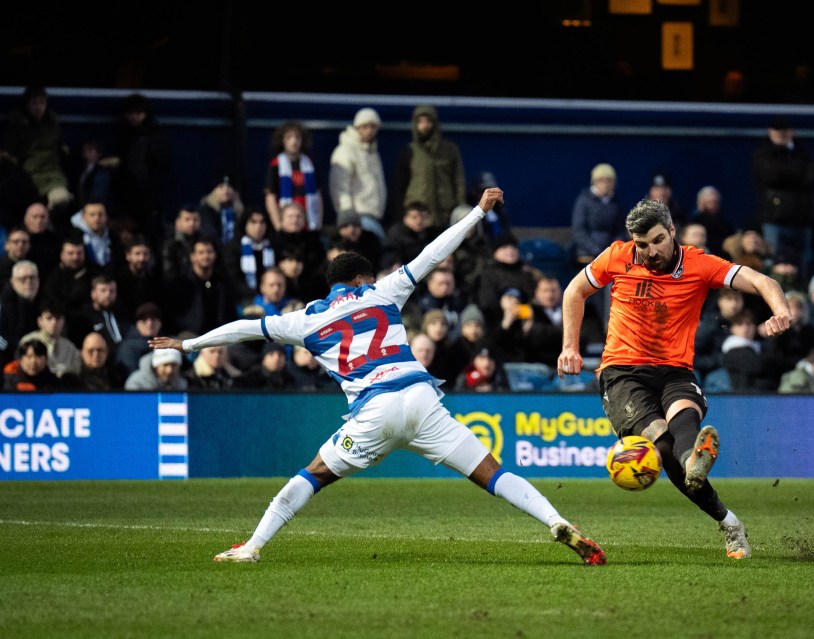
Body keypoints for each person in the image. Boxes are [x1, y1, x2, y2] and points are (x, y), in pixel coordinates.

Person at [148, 187, 605, 566]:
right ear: (363, 278)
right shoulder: (384, 291)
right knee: (491, 471)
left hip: (374, 408)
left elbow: (246, 328)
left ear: (332, 285)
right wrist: (477, 214)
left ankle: (252, 547)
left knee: (312, 475)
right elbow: (434, 253)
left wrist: (188, 345)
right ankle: (554, 520)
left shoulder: (304, 319)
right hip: (421, 397)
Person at [557, 198, 793, 560]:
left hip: (674, 370)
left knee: (685, 421)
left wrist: (780, 311)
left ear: (672, 232)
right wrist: (569, 347)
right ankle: (729, 522)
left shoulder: (699, 264)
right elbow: (575, 290)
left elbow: (762, 280)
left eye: (656, 241)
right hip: (622, 372)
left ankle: (692, 463)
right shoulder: (617, 256)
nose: (649, 252)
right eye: (642, 245)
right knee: (662, 445)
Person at [750, 116, 814, 279]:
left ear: (791, 132)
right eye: (777, 130)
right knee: (774, 262)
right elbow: (771, 176)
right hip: (774, 220)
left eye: (784, 130)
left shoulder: (802, 151)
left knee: (804, 263)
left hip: (801, 220)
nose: (780, 134)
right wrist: (797, 175)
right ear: (770, 132)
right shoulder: (763, 152)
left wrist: (786, 175)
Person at [1, 85, 72, 220]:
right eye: (34, 103)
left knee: (61, 200)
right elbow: (8, 153)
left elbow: (60, 149)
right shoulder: (17, 126)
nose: (38, 107)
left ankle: (47, 224)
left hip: (52, 175)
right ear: (26, 105)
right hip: (27, 176)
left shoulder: (53, 124)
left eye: (42, 103)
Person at [390, 104, 466, 228]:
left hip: (445, 213)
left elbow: (459, 181)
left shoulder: (449, 150)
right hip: (418, 215)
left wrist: (459, 207)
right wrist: (400, 215)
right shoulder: (409, 151)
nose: (424, 126)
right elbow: (399, 186)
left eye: (428, 121)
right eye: (420, 122)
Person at [113, 93, 173, 248]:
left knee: (150, 232)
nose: (133, 117)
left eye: (137, 113)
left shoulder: (155, 135)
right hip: (126, 193)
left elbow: (163, 163)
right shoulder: (123, 134)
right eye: (130, 113)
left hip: (149, 195)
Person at [328, 108, 388, 241]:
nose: (369, 130)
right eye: (365, 126)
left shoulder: (373, 153)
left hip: (374, 217)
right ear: (356, 128)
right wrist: (349, 220)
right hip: (357, 220)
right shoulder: (345, 151)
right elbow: (339, 188)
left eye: (373, 126)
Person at [264, 120, 323, 231]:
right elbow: (270, 197)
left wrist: (318, 223)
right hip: (286, 223)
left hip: (309, 223)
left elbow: (317, 194)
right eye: (289, 137)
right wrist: (278, 225)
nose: (294, 141)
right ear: (283, 141)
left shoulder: (310, 163)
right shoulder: (276, 164)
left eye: (297, 137)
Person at [570, 163, 625, 266]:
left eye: (609, 180)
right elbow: (579, 231)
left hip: (610, 255)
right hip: (586, 255)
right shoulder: (583, 200)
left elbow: (620, 231)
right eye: (601, 180)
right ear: (594, 182)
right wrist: (596, 250)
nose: (605, 184)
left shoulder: (616, 203)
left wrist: (614, 249)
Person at [18, 299, 81, 378]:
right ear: (40, 321)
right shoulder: (28, 341)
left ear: (63, 321)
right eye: (49, 318)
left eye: (58, 318)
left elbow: (77, 372)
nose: (54, 322)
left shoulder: (70, 348)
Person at [0, 259, 42, 366]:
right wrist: (21, 349)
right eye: (23, 279)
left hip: (40, 358)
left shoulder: (46, 303)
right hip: (7, 359)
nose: (28, 282)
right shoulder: (3, 305)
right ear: (13, 282)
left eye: (32, 278)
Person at [198, 176, 244, 248]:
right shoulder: (206, 211)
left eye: (229, 186)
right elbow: (210, 234)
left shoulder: (240, 213)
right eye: (221, 187)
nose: (226, 190)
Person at [689, 185, 734, 258]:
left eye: (715, 201)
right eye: (709, 201)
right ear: (700, 201)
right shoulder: (694, 221)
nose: (712, 200)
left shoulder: (725, 223)